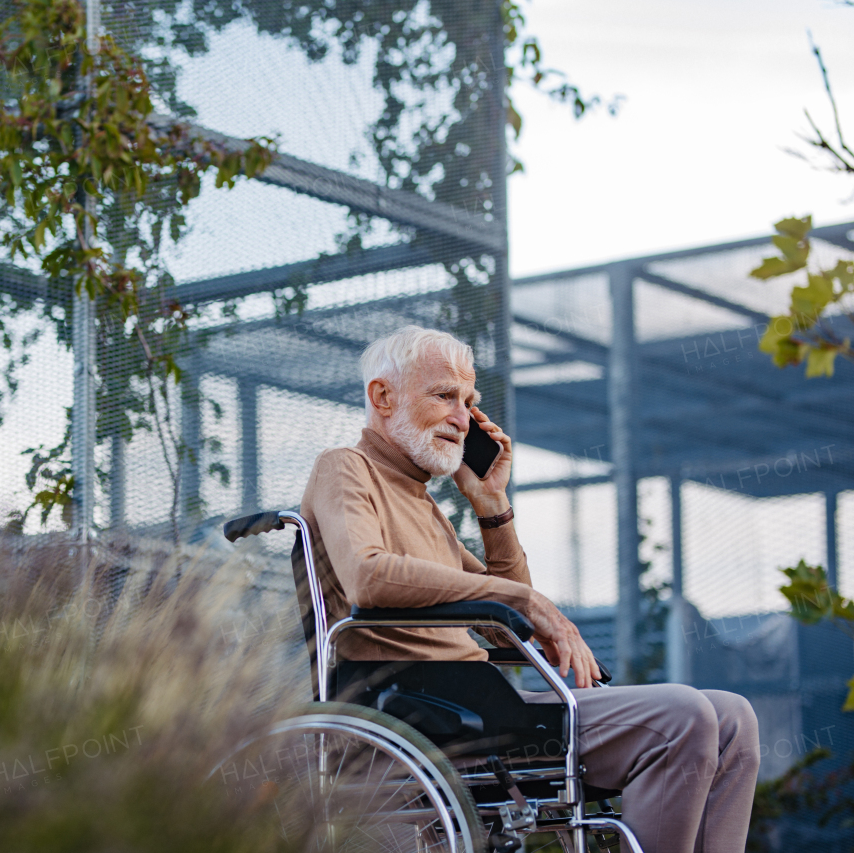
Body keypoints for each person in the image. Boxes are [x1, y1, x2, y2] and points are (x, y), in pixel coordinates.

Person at [300, 325, 759, 853]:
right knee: (684, 714)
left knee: (733, 719)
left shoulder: (424, 504)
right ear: (383, 396)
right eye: (445, 396)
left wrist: (493, 507)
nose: (461, 418)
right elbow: (368, 575)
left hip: (481, 708)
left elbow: (502, 636)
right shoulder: (345, 467)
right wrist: (528, 601)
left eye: (468, 402)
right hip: (424, 716)